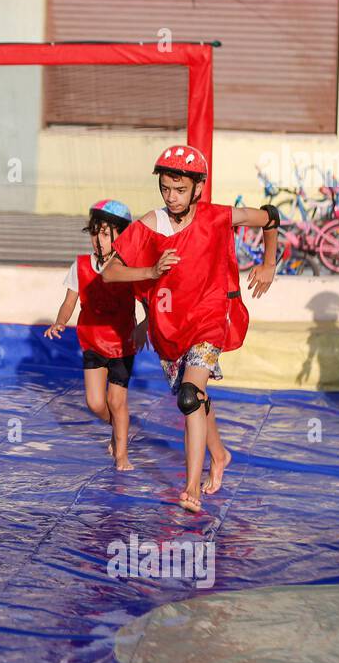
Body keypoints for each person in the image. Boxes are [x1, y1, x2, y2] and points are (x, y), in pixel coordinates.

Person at [102, 145, 278, 512]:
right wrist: (150, 275)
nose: (172, 197)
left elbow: (270, 217)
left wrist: (269, 262)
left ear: (198, 187)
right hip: (170, 329)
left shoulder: (218, 216)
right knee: (194, 398)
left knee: (188, 397)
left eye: (180, 190)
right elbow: (110, 272)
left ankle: (192, 488)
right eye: (166, 189)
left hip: (210, 318)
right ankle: (221, 454)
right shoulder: (150, 224)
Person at [45, 199, 143, 470]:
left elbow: (147, 299)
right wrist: (60, 322)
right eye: (95, 232)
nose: (99, 240)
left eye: (106, 233)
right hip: (92, 342)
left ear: (122, 235)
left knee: (116, 400)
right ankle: (119, 426)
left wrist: (145, 326)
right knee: (95, 402)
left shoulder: (129, 268)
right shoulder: (80, 266)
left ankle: (121, 454)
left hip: (123, 343)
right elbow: (69, 302)